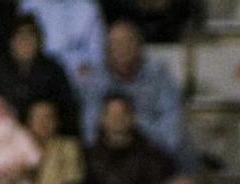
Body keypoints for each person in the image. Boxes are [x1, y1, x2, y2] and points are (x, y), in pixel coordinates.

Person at [78, 20, 184, 158]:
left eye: (128, 42)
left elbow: (171, 134)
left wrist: (132, 123)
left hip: (155, 156)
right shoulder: (95, 81)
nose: (122, 48)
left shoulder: (159, 77)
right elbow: (89, 134)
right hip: (109, 159)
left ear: (140, 46)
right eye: (115, 44)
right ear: (106, 51)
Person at [86, 92, 171, 184]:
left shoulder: (152, 156)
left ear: (133, 117)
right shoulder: (88, 156)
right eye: (112, 114)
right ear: (103, 118)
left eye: (122, 113)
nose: (117, 119)